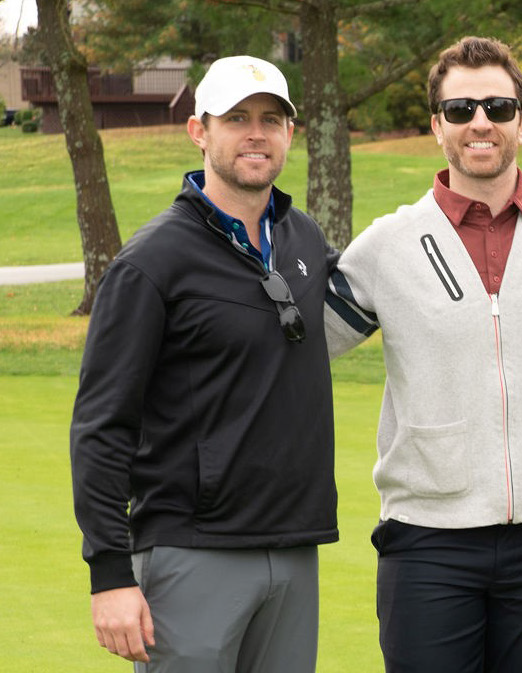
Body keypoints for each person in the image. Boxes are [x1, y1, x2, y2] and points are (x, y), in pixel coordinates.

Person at [323, 36, 522, 672]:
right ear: (437, 126)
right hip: (426, 544)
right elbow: (290, 353)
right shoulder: (387, 246)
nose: (480, 122)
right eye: (460, 110)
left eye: (498, 107)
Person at [70, 55, 339, 671]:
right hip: (192, 554)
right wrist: (110, 572)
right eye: (236, 118)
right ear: (200, 131)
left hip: (295, 549)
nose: (256, 133)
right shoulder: (151, 262)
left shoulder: (300, 237)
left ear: (290, 134)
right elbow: (101, 426)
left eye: (272, 119)